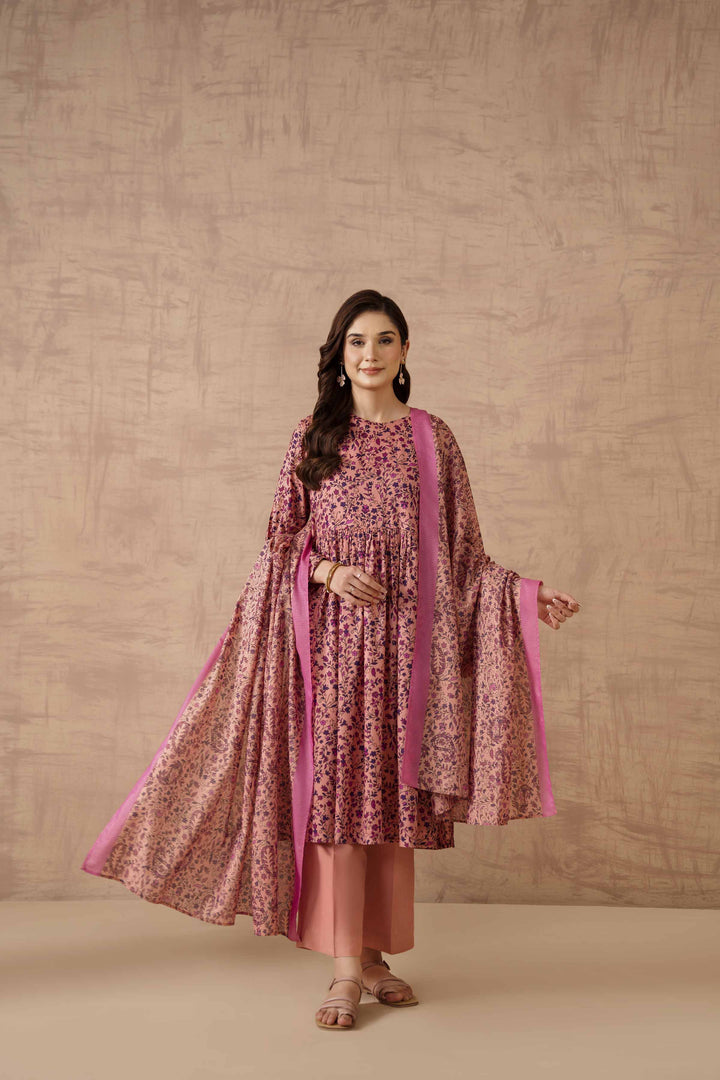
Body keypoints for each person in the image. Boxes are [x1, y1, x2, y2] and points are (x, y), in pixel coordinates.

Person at [81, 289, 580, 1032]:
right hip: (334, 655)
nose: (370, 354)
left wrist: (525, 595)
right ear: (339, 355)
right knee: (341, 802)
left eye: (384, 340)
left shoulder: (432, 439)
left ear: (405, 351)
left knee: (389, 807)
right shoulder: (313, 437)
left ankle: (374, 959)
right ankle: (345, 971)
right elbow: (278, 545)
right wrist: (328, 571)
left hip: (410, 658)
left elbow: (465, 554)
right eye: (356, 342)